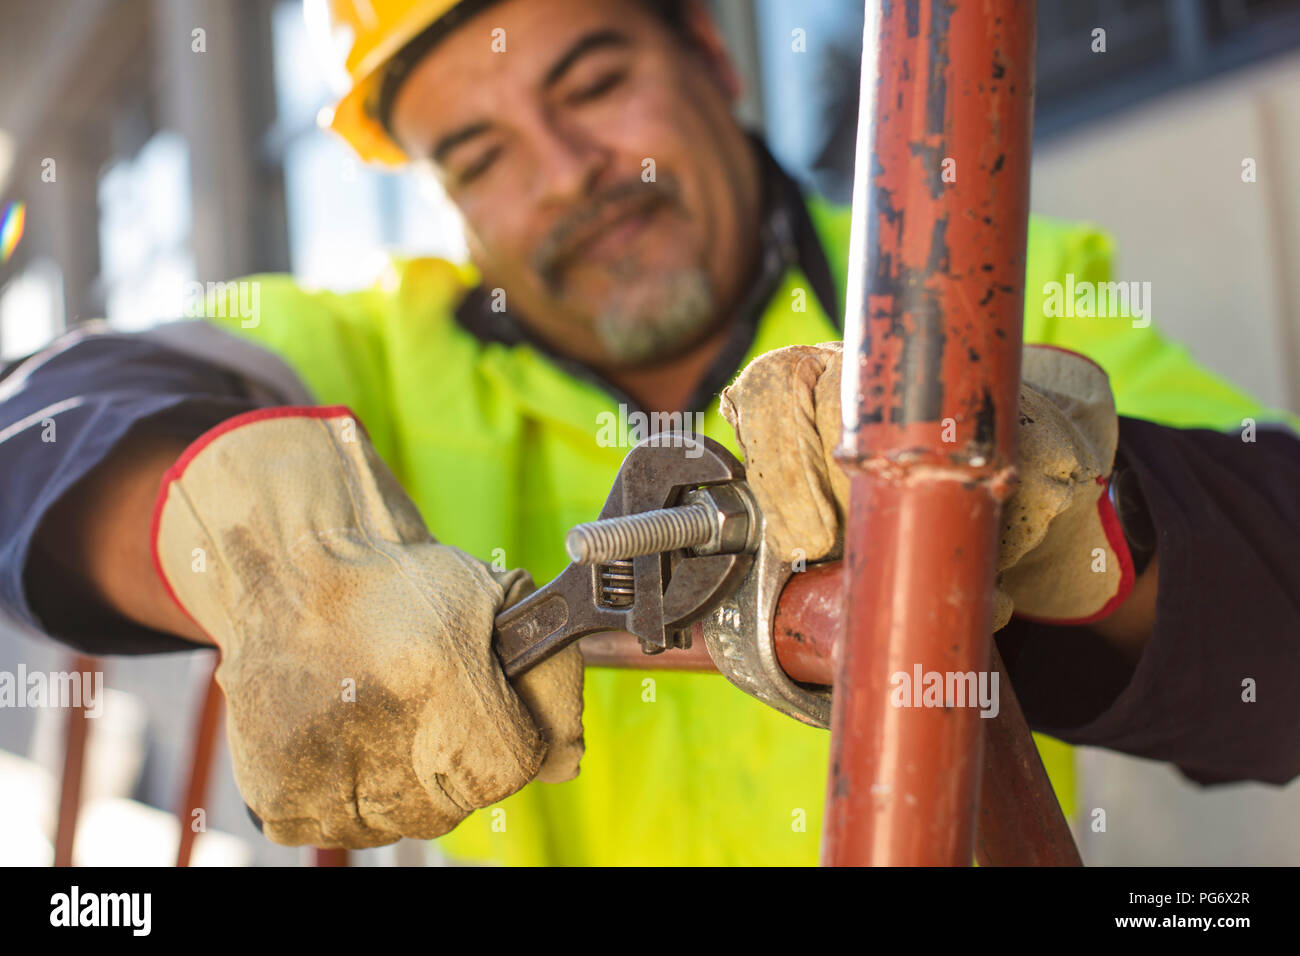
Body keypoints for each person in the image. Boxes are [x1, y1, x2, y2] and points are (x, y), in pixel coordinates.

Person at [2, 0, 1298, 865]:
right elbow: (45, 419)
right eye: (481, 154)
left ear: (713, 58)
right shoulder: (375, 359)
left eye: (596, 82)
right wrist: (222, 535)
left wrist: (1063, 516)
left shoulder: (980, 289)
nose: (562, 170)